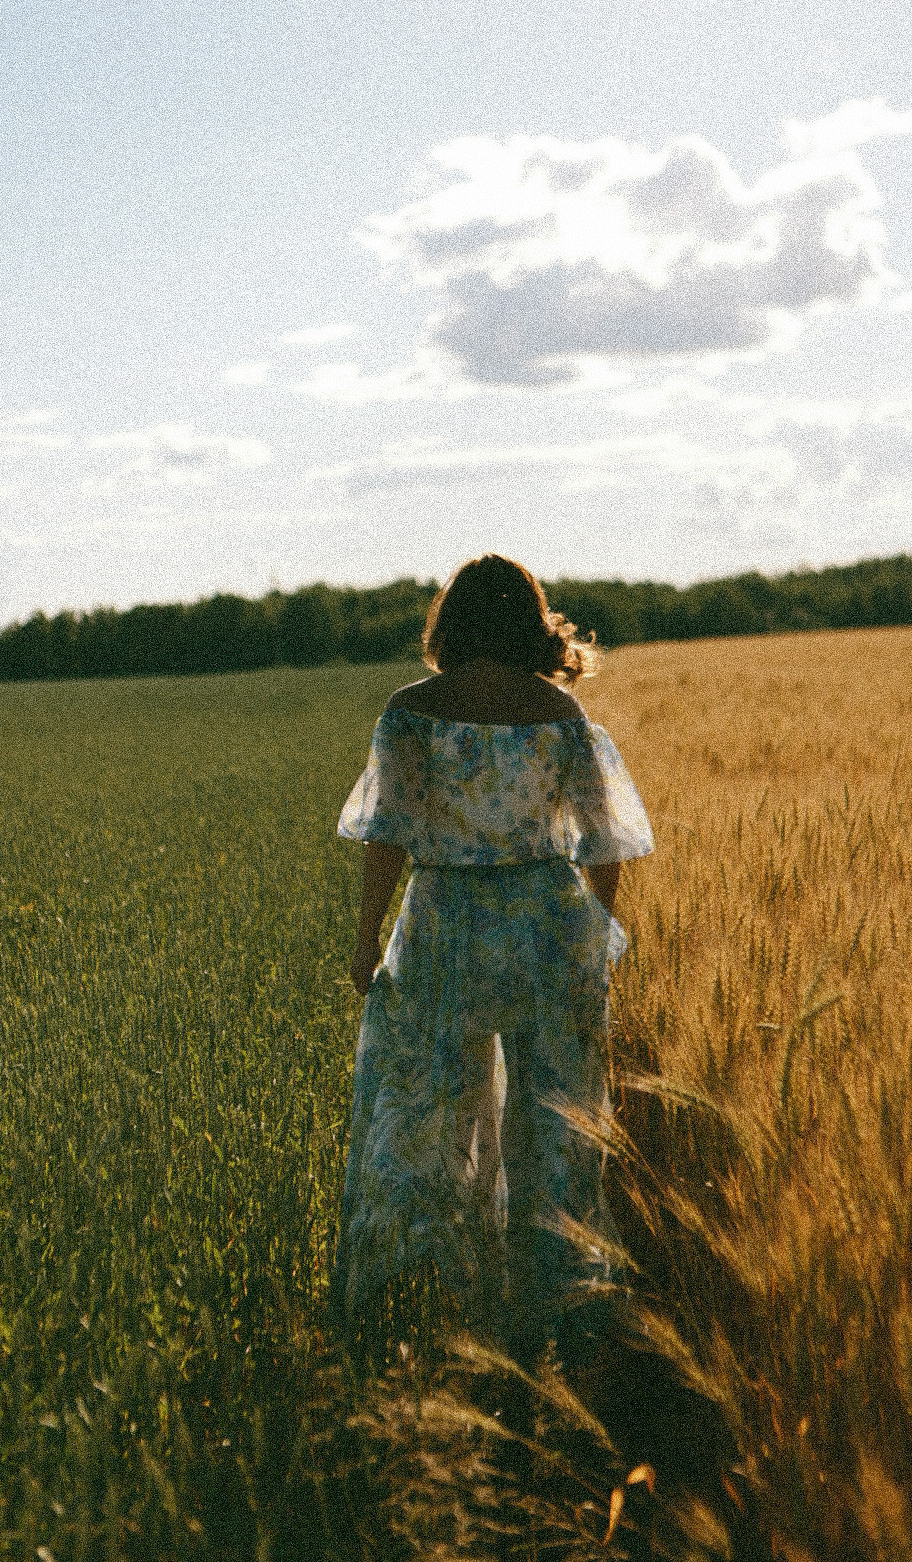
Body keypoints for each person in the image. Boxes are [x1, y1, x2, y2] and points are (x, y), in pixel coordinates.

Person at [331, 555, 653, 1364]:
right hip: (547, 925)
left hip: (446, 923)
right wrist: (596, 934)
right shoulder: (561, 712)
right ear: (528, 622)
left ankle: (440, 1301)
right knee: (556, 1118)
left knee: (428, 1109)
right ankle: (559, 1309)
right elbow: (604, 844)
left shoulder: (410, 712)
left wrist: (367, 937)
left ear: (451, 622)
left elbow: (386, 837)